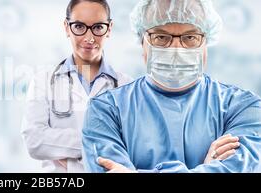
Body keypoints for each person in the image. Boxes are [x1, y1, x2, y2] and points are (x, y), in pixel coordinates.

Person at [82, 0, 261, 173]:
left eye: (190, 37)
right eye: (161, 37)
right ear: (142, 41)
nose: (176, 49)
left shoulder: (244, 107)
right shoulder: (105, 110)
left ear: (206, 41)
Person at [21, 0, 133, 172]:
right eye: (79, 27)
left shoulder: (127, 86)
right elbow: (35, 141)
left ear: (109, 29)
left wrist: (70, 159)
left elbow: (132, 146)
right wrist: (101, 141)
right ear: (67, 27)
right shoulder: (42, 82)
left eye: (98, 27)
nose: (89, 37)